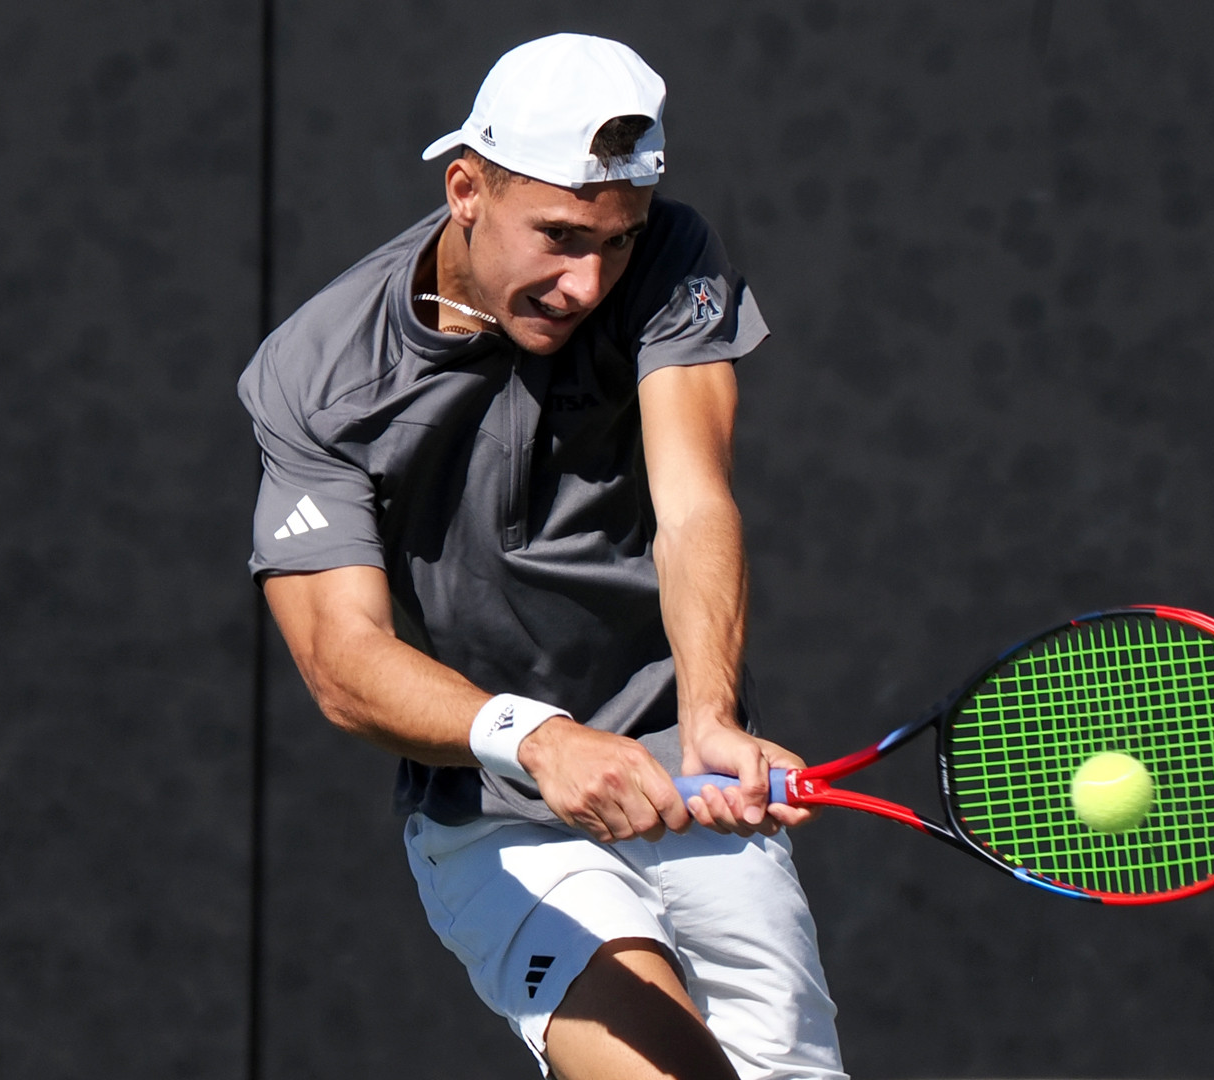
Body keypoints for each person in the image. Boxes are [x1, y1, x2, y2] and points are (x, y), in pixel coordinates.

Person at [239, 33, 847, 1080]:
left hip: (691, 785)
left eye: (615, 241)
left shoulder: (669, 261)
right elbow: (343, 662)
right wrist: (542, 741)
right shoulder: (316, 375)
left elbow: (694, 496)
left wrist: (708, 714)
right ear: (465, 187)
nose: (586, 280)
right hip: (500, 820)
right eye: (560, 237)